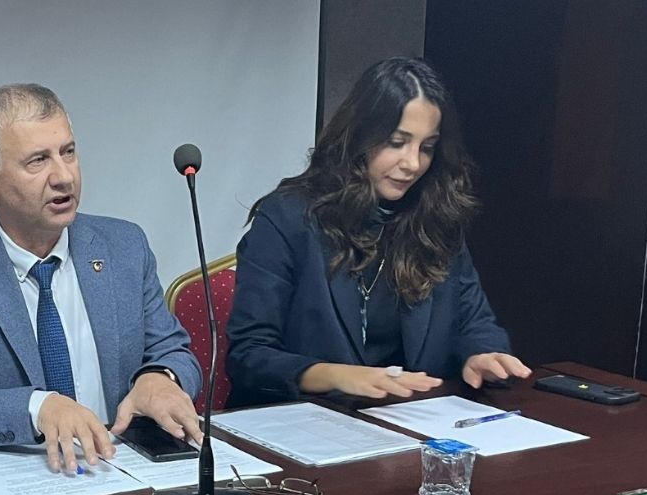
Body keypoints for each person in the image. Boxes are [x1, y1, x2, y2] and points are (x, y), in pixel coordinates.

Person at [0, 83, 202, 472]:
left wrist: (161, 377)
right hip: (22, 482)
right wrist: (36, 408)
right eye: (38, 161)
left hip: (122, 471)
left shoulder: (124, 246)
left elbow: (174, 351)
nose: (64, 177)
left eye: (68, 152)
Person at [226, 57, 530, 408]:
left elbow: (474, 323)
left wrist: (481, 354)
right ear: (360, 136)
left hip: (406, 418)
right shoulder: (289, 217)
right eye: (397, 142)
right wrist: (337, 376)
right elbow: (249, 355)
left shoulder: (436, 219)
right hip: (303, 418)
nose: (412, 164)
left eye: (426, 147)